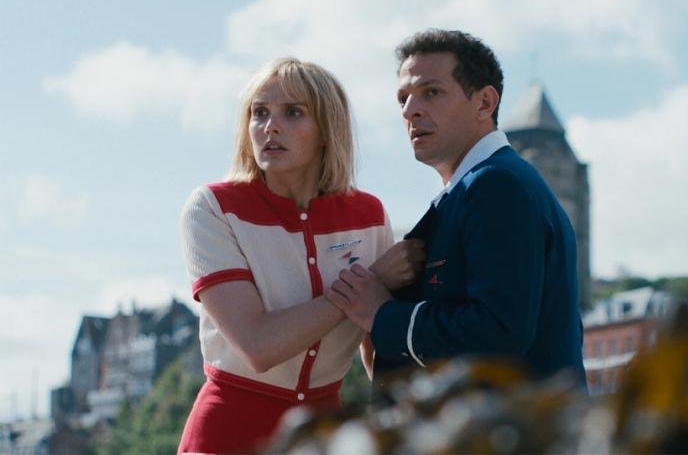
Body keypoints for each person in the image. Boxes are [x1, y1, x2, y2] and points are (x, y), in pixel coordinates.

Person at [177, 58, 424, 453]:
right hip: (228, 434)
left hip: (326, 436)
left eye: (292, 112)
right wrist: (367, 282)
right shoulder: (212, 208)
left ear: (327, 130)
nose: (270, 126)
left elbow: (374, 345)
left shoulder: (368, 213)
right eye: (259, 113)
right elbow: (258, 346)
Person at [325, 29, 587, 392]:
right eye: (403, 98)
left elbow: (499, 331)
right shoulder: (482, 185)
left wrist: (382, 314)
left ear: (484, 103)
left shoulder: (497, 184)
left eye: (431, 92)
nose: (410, 110)